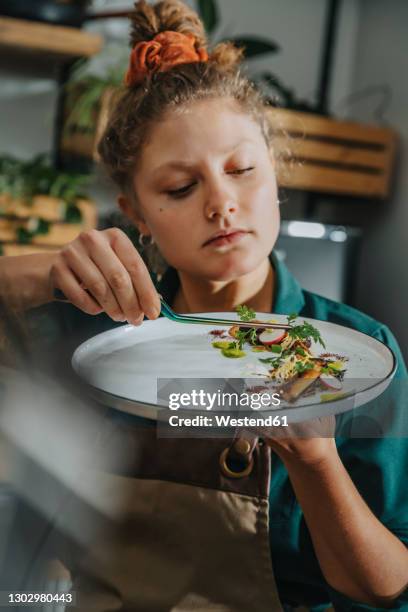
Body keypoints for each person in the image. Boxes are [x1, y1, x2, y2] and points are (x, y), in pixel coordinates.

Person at [0, 1, 407, 610]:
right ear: (135, 212)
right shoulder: (92, 336)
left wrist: (316, 459)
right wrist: (34, 272)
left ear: (275, 172)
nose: (222, 203)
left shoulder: (355, 354)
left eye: (242, 169)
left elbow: (386, 587)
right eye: (180, 188)